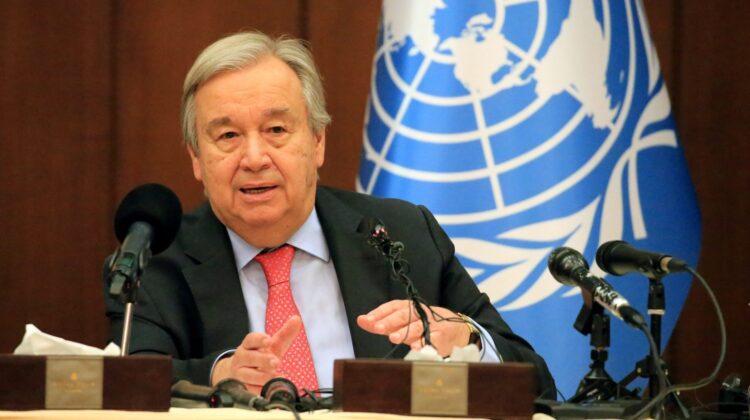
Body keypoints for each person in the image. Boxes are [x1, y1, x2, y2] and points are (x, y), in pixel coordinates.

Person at [103, 31, 556, 398]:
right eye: (227, 136)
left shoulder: (403, 235)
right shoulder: (155, 262)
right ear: (197, 158)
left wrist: (469, 341)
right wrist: (221, 374)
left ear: (317, 142)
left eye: (277, 130)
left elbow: (538, 386)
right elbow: (131, 385)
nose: (254, 156)